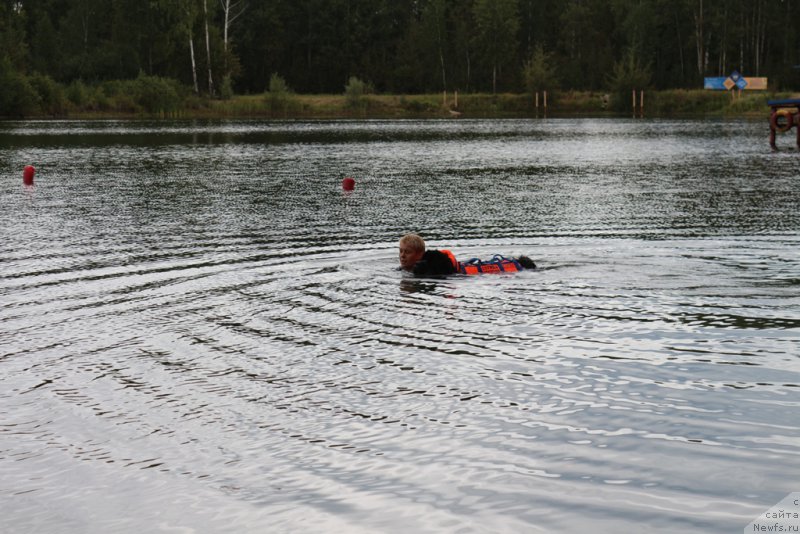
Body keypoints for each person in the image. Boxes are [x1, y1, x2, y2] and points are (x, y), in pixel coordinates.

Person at [398, 233, 536, 276]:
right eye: (401, 251)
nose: (402, 256)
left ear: (420, 254)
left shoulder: (432, 267)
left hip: (522, 268)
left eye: (407, 252)